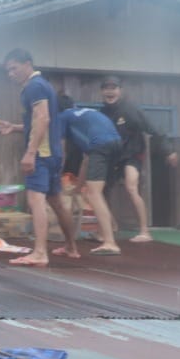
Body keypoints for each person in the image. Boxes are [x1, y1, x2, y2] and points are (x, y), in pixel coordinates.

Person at [0, 48, 82, 268]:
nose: (10, 74)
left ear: (28, 64)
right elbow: (41, 121)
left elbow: (42, 118)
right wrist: (15, 128)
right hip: (53, 153)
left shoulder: (34, 86)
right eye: (8, 70)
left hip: (42, 155)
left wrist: (30, 152)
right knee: (57, 202)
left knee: (36, 200)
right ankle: (71, 247)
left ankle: (40, 252)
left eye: (14, 68)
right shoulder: (42, 86)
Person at [99, 75, 178, 242]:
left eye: (113, 88)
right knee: (100, 190)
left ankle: (144, 231)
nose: (110, 91)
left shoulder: (130, 109)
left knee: (131, 187)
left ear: (120, 91)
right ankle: (111, 226)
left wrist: (168, 151)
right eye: (106, 88)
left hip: (132, 154)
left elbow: (153, 129)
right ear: (102, 91)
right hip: (113, 156)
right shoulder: (103, 112)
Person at [57, 94, 125, 255]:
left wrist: (56, 174)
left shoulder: (62, 117)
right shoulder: (83, 115)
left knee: (94, 194)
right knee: (98, 192)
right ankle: (105, 232)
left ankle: (110, 243)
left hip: (100, 145)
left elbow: (61, 150)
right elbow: (87, 161)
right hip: (117, 143)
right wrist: (78, 187)